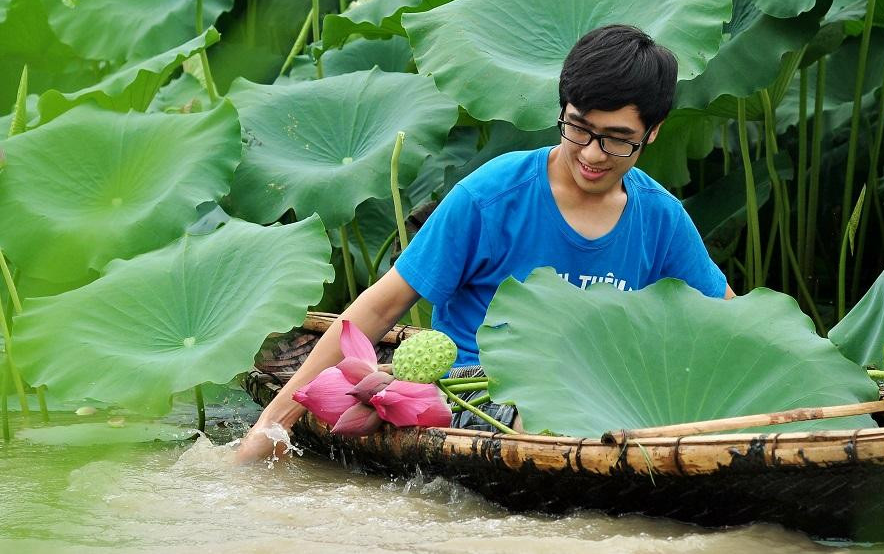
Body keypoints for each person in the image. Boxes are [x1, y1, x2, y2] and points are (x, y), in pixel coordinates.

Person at [236, 25, 732, 463]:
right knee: (545, 428)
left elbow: (733, 321)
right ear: (562, 109)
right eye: (578, 127)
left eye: (616, 139)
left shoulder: (660, 216)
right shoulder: (492, 195)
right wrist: (272, 426)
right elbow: (380, 308)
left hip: (604, 397)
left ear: (653, 133)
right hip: (479, 392)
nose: (591, 153)